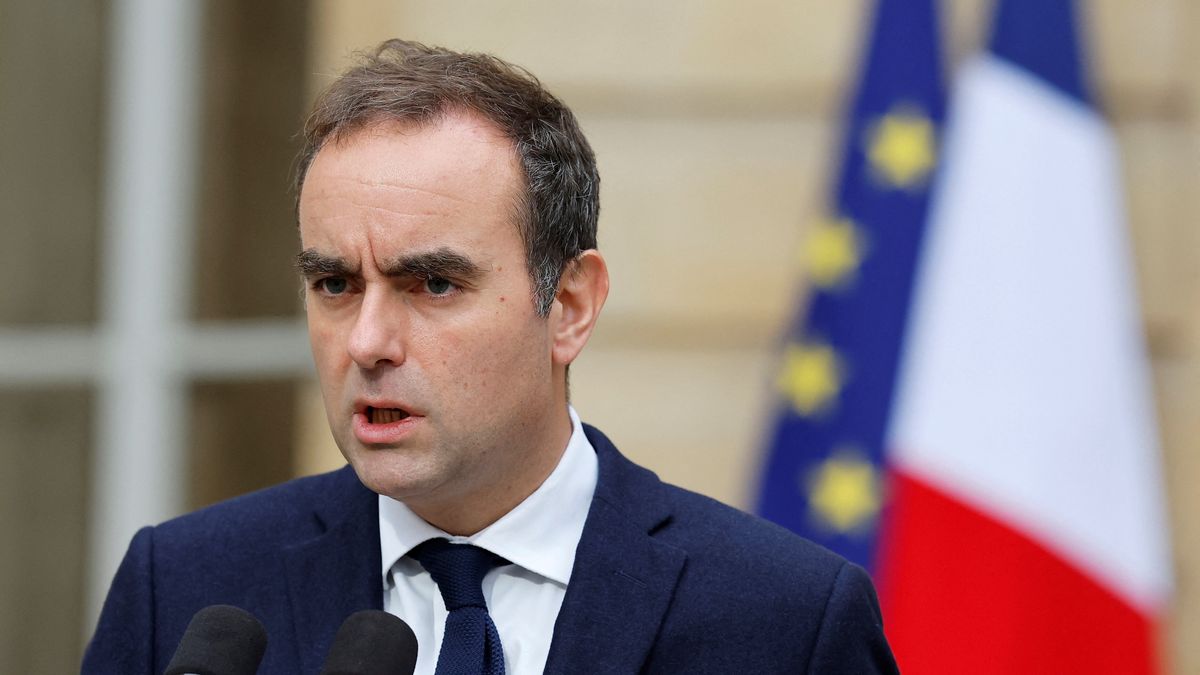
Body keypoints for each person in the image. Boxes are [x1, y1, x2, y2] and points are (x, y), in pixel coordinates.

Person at [83, 40, 898, 674]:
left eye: (433, 283)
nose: (367, 341)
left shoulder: (784, 618)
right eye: (335, 283)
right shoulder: (186, 592)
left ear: (570, 306)